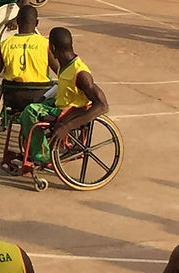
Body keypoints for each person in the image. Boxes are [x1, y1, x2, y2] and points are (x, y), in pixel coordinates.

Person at [12, 27, 108, 169]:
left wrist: (67, 126)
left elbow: (102, 105)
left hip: (69, 111)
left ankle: (42, 156)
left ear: (53, 48)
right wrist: (43, 98)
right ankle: (33, 148)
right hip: (61, 102)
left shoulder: (81, 74)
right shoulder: (64, 66)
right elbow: (61, 86)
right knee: (31, 106)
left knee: (30, 112)